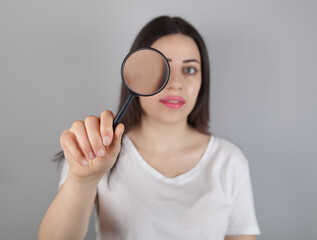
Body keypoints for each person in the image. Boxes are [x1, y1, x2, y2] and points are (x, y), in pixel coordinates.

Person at [39, 16, 260, 240]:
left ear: (203, 80)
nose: (175, 83)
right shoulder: (96, 150)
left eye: (190, 69)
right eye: (161, 68)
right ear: (135, 75)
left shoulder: (229, 161)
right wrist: (82, 179)